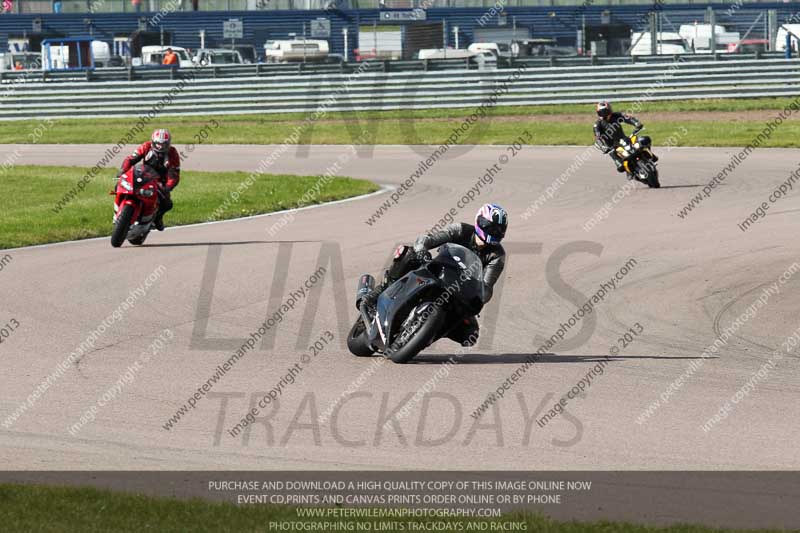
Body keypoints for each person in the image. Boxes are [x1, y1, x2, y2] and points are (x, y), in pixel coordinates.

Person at [360, 203, 508, 347]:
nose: (492, 232)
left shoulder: (497, 256)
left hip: (460, 292)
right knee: (408, 253)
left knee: (470, 335)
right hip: (437, 272)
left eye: (497, 230)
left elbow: (487, 288)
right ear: (478, 220)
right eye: (489, 227)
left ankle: (425, 335)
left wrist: (480, 295)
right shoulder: (461, 230)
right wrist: (422, 250)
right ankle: (378, 293)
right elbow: (427, 239)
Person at [119, 129, 180, 231]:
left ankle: (158, 218)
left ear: (168, 144)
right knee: (120, 184)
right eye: (158, 144)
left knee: (167, 204)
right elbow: (130, 159)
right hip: (142, 175)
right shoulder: (146, 146)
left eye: (164, 144)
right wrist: (122, 171)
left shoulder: (172, 153)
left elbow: (174, 175)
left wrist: (167, 187)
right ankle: (119, 208)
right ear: (153, 142)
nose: (160, 147)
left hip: (160, 182)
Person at [593, 101, 657, 173]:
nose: (604, 114)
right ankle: (629, 172)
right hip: (612, 148)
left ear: (609, 110)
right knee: (620, 167)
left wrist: (636, 123)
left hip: (624, 140)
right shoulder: (597, 124)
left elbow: (628, 118)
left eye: (605, 111)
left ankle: (650, 155)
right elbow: (598, 138)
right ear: (598, 113)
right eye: (602, 112)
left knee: (645, 139)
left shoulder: (616, 115)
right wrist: (603, 147)